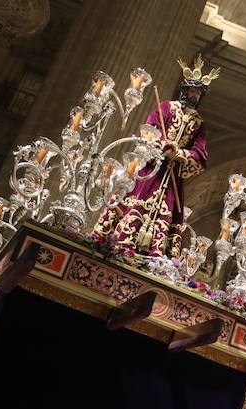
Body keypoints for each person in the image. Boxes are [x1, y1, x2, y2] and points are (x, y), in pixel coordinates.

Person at [92, 55, 217, 257]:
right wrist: (162, 144)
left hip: (172, 176)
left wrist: (179, 153)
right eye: (192, 91)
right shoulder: (167, 107)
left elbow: (200, 154)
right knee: (132, 200)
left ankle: (152, 255)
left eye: (198, 93)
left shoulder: (199, 124)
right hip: (150, 169)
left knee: (166, 213)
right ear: (185, 91)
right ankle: (114, 242)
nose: (194, 95)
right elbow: (149, 130)